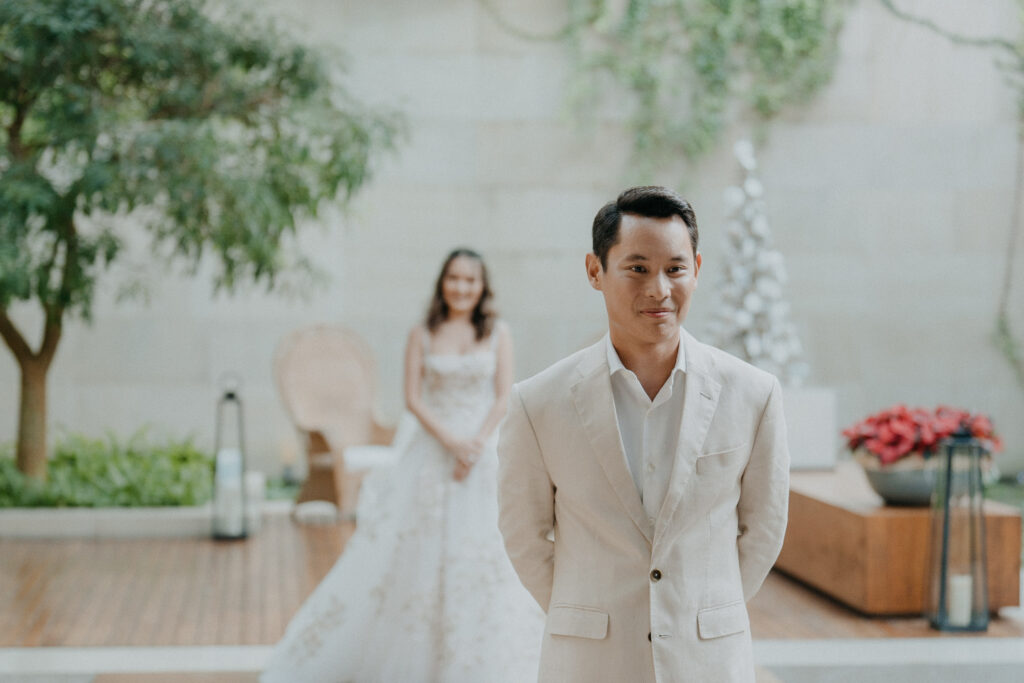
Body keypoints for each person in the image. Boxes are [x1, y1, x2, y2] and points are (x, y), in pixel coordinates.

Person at [497, 186, 790, 683]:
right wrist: (589, 613)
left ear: (696, 268)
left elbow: (763, 529)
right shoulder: (537, 402)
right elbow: (524, 535)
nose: (659, 289)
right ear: (595, 271)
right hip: (589, 661)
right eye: (637, 268)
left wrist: (699, 612)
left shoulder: (754, 394)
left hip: (708, 660)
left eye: (675, 268)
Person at [262, 248, 543, 683]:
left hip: (481, 456)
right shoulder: (422, 333)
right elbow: (413, 398)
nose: (462, 287)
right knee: (415, 558)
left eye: (471, 280)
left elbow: (504, 394)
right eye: (454, 278)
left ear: (483, 286)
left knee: (488, 559)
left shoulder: (498, 333)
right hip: (433, 453)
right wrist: (451, 442)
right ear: (442, 283)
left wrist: (475, 444)